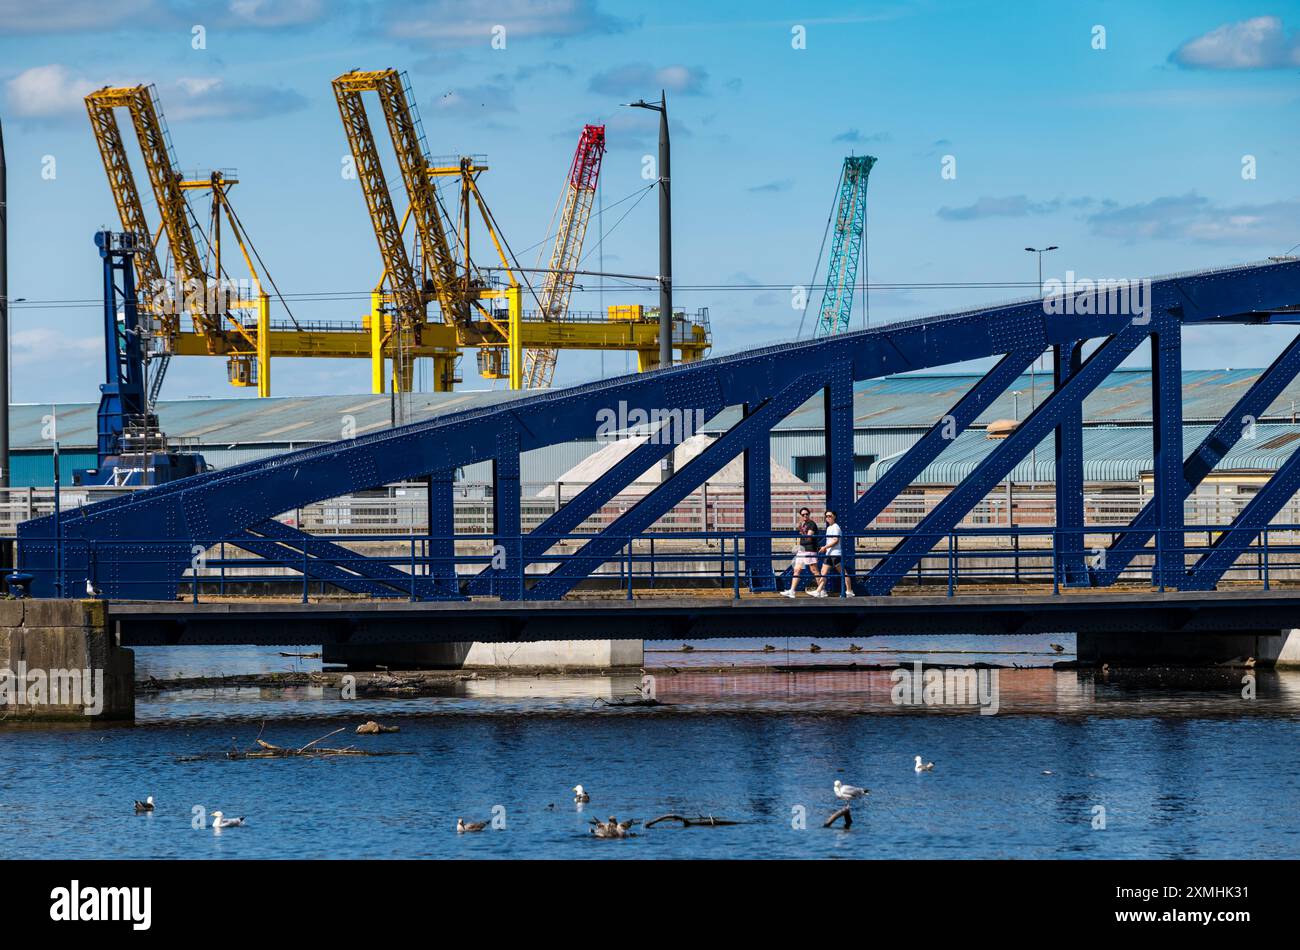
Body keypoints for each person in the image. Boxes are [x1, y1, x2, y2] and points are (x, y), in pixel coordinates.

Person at [811, 510, 854, 598]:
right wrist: (826, 548)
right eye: (826, 516)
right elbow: (830, 541)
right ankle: (819, 591)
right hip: (829, 554)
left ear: (834, 517)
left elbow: (835, 540)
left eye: (830, 516)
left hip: (835, 554)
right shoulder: (829, 528)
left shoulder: (836, 527)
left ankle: (849, 591)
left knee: (842, 572)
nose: (828, 518)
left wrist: (825, 547)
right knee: (823, 572)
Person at [781, 506, 821, 598]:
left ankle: (821, 590)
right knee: (796, 569)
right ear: (801, 516)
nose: (805, 516)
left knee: (814, 570)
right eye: (803, 514)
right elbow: (804, 537)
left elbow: (809, 538)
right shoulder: (803, 524)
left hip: (810, 550)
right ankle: (792, 591)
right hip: (802, 550)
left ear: (809, 514)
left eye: (806, 514)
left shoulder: (811, 524)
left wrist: (802, 532)